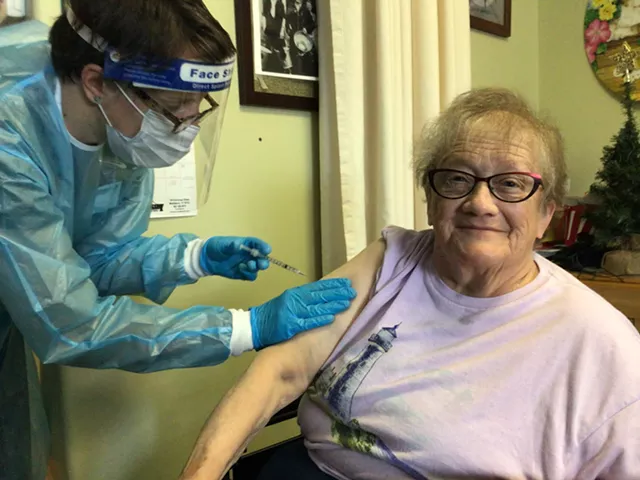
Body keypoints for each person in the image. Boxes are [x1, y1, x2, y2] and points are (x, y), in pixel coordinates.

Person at [180, 88, 640, 480]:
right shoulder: (392, 259)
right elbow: (281, 370)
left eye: (511, 184)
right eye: (457, 179)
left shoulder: (603, 346)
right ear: (429, 197)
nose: (480, 202)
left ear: (547, 214)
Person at [0, 2, 356, 478]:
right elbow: (70, 324)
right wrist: (245, 327)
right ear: (96, 82)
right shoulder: (10, 136)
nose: (186, 125)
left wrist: (194, 258)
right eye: (172, 109)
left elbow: (97, 259)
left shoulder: (117, 129)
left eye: (198, 106)